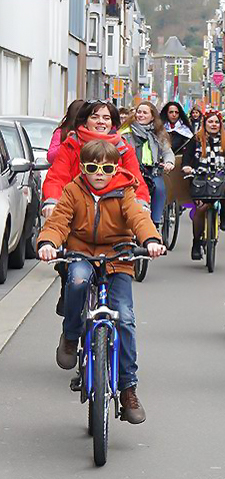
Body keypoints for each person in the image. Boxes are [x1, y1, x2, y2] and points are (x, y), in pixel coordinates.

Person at [37, 139, 166, 424]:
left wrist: (151, 240)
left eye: (106, 167)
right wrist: (48, 242)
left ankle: (128, 388)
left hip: (118, 255)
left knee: (126, 318)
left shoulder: (125, 192)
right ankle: (71, 337)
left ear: (115, 168)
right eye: (92, 167)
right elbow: (58, 222)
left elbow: (138, 219)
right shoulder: (73, 190)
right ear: (83, 168)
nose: (99, 172)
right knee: (78, 281)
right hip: (81, 251)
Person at [42, 100, 150, 218]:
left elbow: (136, 181)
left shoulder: (123, 148)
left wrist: (141, 203)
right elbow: (56, 177)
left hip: (114, 215)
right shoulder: (71, 144)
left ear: (112, 122)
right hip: (75, 211)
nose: (101, 122)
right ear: (85, 121)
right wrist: (52, 201)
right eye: (95, 117)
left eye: (106, 118)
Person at [182, 110, 225, 259]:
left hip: (220, 177)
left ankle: (224, 214)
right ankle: (196, 242)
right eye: (210, 122)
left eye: (216, 122)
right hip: (200, 178)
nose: (213, 125)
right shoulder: (195, 140)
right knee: (201, 209)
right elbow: (186, 159)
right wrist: (187, 167)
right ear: (204, 123)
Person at [120, 101, 176, 226]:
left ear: (152, 116)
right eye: (139, 112)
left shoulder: (159, 133)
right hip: (131, 170)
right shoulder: (125, 132)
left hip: (152, 170)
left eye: (145, 113)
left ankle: (155, 222)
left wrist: (168, 162)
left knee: (160, 189)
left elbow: (167, 152)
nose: (141, 115)